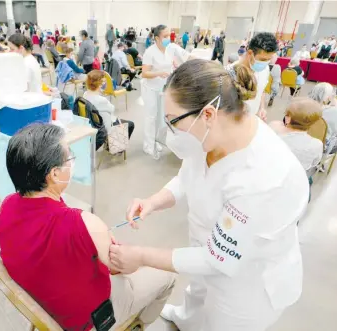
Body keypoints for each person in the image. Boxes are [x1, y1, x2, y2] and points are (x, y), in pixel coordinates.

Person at [109, 59, 308, 331]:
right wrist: (153, 201)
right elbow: (187, 177)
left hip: (246, 283)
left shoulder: (264, 178)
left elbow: (217, 259)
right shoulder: (209, 136)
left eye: (173, 122)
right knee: (196, 299)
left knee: (218, 322)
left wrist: (141, 256)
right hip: (205, 250)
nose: (172, 133)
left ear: (208, 114)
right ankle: (186, 319)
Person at [0, 123, 175, 331]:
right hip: (88, 320)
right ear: (54, 174)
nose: (72, 162)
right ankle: (135, 324)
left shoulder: (7, 206)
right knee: (167, 275)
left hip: (43, 302)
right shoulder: (84, 223)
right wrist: (136, 258)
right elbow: (121, 268)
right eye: (69, 156)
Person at [140, 24, 191, 157]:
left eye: (169, 35)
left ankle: (155, 141)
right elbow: (144, 73)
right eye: (165, 36)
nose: (168, 38)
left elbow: (185, 57)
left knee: (160, 117)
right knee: (151, 116)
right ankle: (148, 145)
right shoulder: (150, 52)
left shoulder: (170, 48)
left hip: (163, 88)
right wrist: (158, 73)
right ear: (157, 38)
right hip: (150, 88)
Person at [226, 32, 277, 120]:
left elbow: (261, 90)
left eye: (269, 59)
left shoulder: (265, 69)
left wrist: (261, 108)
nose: (266, 63)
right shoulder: (230, 73)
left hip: (252, 119)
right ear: (250, 53)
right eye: (263, 59)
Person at [269, 98, 323, 176]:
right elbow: (314, 163)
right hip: (294, 179)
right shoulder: (316, 145)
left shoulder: (273, 127)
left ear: (288, 118)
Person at [83, 70, 135, 138]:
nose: (105, 84)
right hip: (105, 127)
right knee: (131, 124)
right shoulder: (101, 100)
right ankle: (113, 145)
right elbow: (112, 109)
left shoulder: (85, 94)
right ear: (99, 84)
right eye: (104, 82)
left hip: (92, 124)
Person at [308, 83, 337, 154]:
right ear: (329, 97)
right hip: (321, 147)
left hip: (301, 141)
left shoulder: (300, 106)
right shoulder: (334, 111)